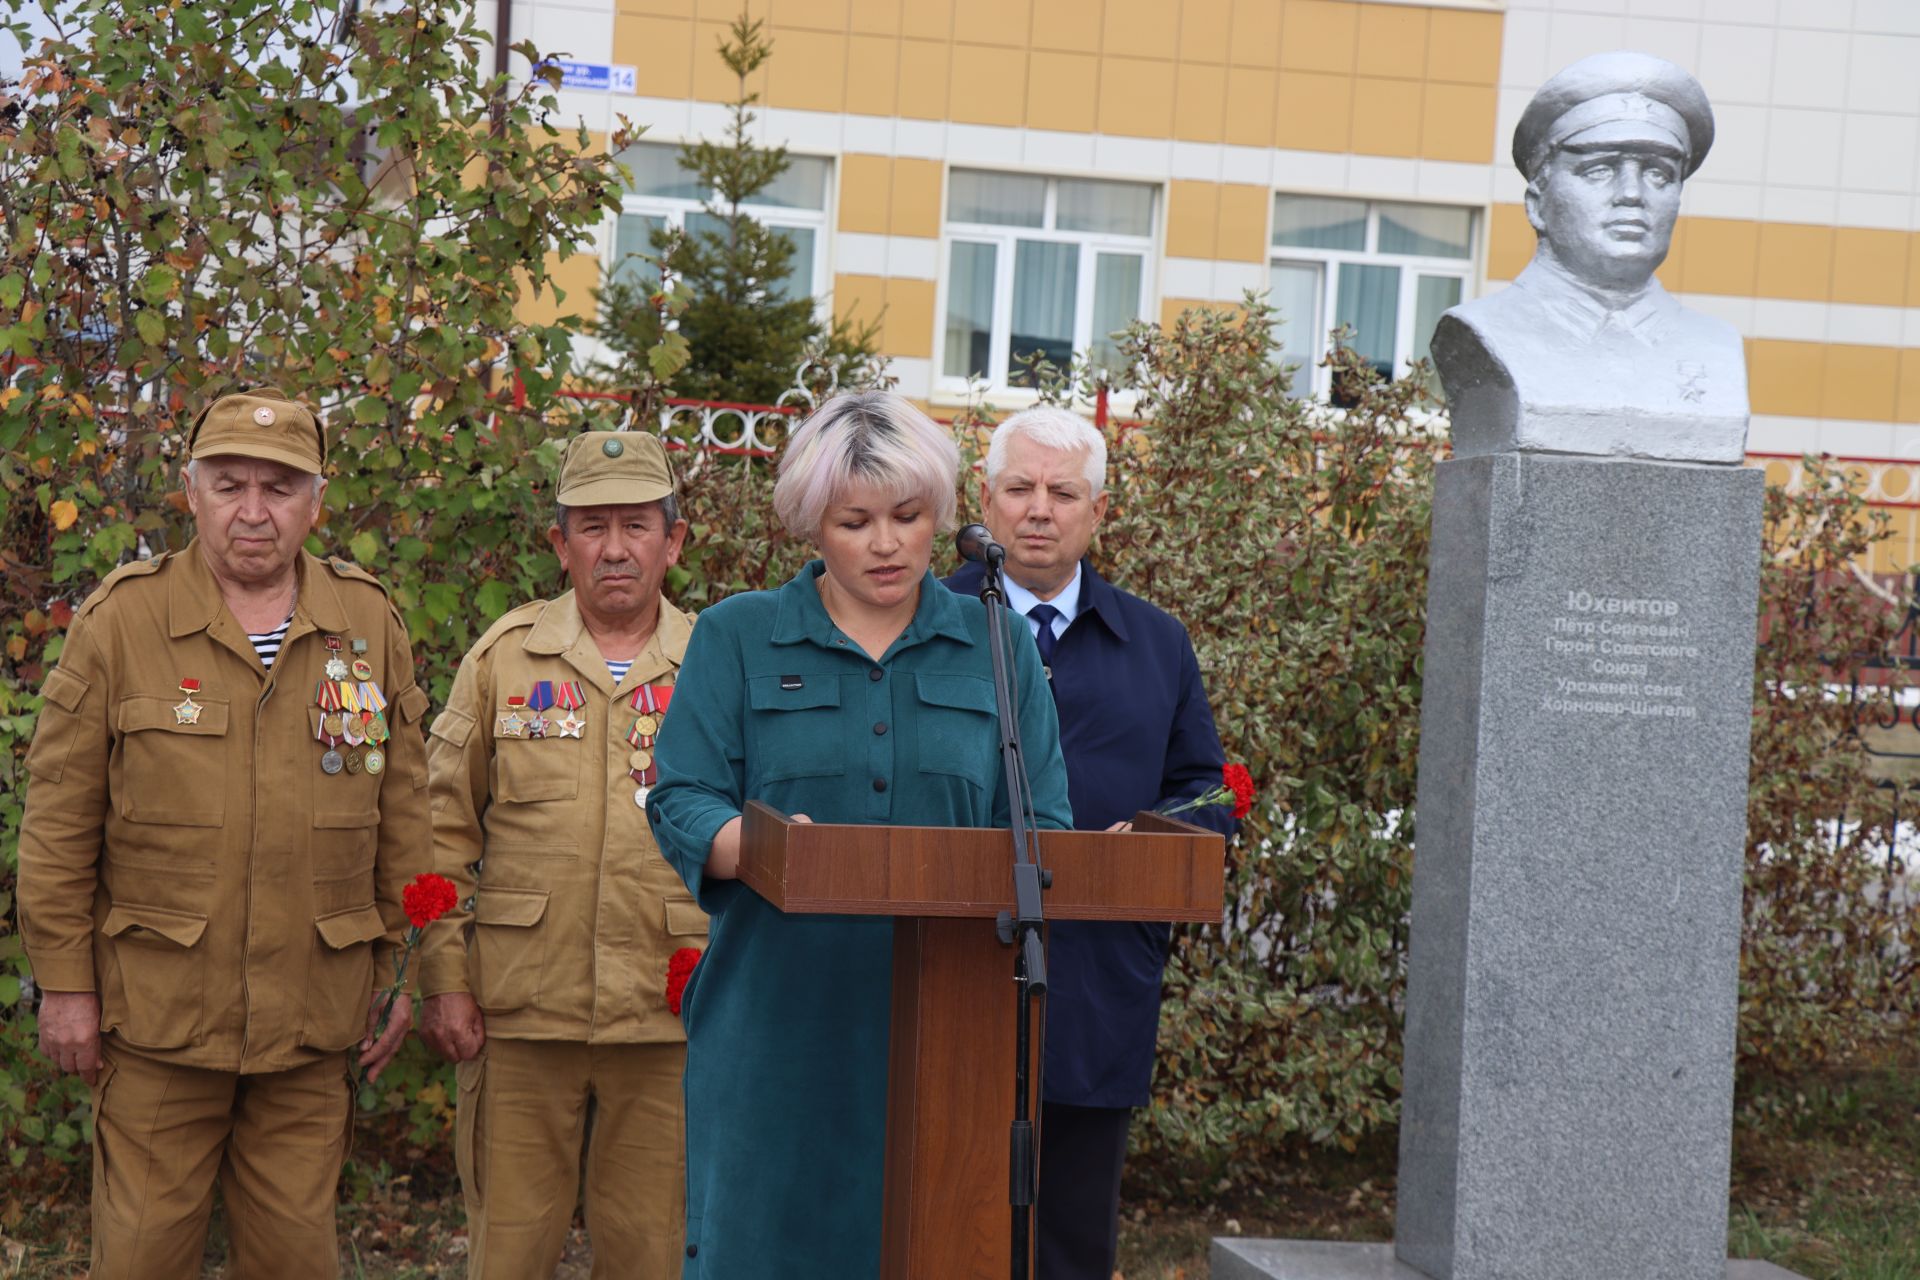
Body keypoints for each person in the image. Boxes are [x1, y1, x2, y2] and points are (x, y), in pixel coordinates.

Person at [646, 390, 1073, 1277]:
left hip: (950, 1034)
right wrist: (760, 846)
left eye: (908, 517)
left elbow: (1047, 830)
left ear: (942, 518)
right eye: (856, 521)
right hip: (775, 1027)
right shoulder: (739, 636)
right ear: (813, 525)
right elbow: (681, 795)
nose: (886, 544)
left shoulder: (997, 643)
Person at [18, 387, 433, 1279]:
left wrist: (407, 968)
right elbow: (57, 823)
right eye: (230, 483)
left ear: (316, 502)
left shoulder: (366, 624)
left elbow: (406, 819)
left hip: (311, 1026)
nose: (254, 512)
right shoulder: (121, 622)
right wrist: (64, 984)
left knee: (295, 1261)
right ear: (192, 491)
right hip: (161, 1018)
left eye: (280, 488)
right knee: (137, 1261)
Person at [944, 406, 1233, 1280]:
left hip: (1097, 977)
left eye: (1063, 492)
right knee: (945, 1221)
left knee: (1070, 1239)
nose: (1039, 510)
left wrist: (1151, 836)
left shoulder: (1155, 642)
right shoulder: (923, 628)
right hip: (950, 970)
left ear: (1098, 512)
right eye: (1020, 489)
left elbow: (1212, 791)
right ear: (984, 503)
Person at [416, 430, 701, 1278]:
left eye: (638, 525)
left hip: (671, 1012)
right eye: (592, 526)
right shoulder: (503, 659)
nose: (615, 549)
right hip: (516, 1016)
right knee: (508, 1251)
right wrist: (443, 978)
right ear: (560, 543)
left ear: (674, 540)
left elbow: (756, 843)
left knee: (653, 1257)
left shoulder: (717, 665)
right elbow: (439, 831)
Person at [1432, 51, 1747, 462]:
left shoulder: (1716, 347)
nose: (1633, 194)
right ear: (1536, 204)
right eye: (1599, 170)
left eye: (1658, 174)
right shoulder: (1484, 331)